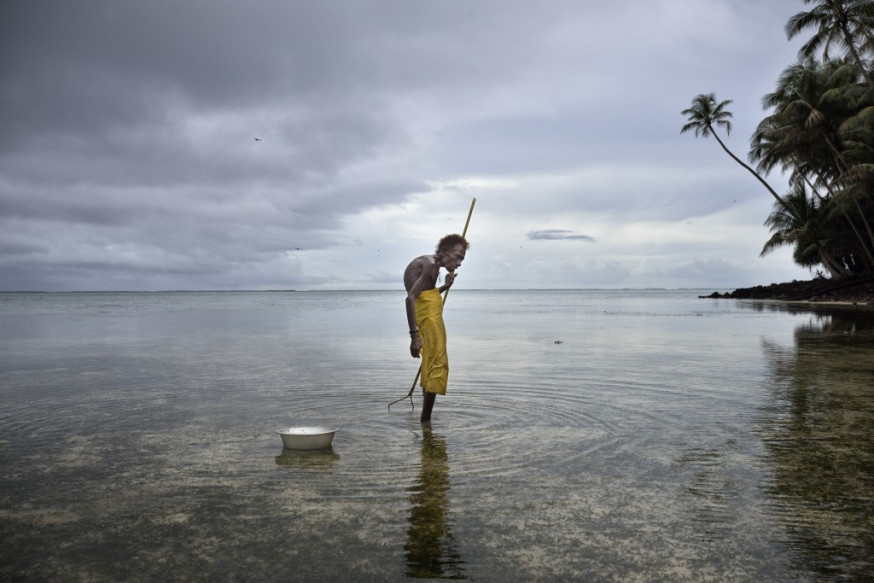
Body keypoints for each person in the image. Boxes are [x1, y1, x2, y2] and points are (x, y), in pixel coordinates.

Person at [404, 234, 469, 422]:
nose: (459, 263)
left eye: (462, 259)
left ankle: (426, 426)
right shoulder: (430, 263)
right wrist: (414, 336)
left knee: (430, 364)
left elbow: (425, 295)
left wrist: (445, 286)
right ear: (443, 252)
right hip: (427, 322)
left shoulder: (432, 264)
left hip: (429, 319)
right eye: (457, 256)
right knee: (437, 365)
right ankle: (426, 421)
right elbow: (411, 299)